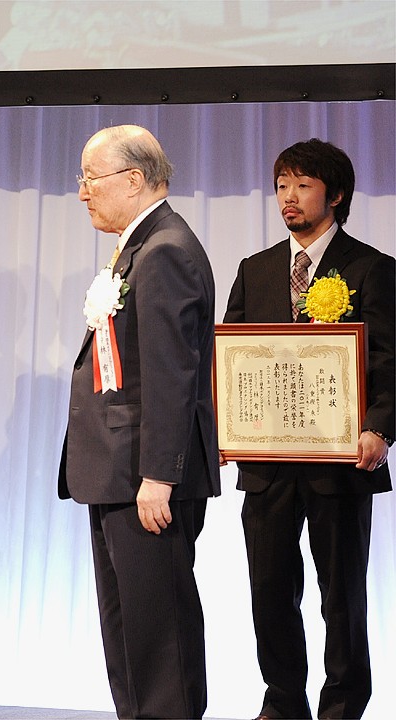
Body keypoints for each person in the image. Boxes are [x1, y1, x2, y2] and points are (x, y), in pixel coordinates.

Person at [223, 138, 394, 720]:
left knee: (340, 596)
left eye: (302, 185)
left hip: (340, 461)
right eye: (281, 185)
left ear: (335, 194)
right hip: (268, 461)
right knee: (269, 590)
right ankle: (282, 701)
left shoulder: (371, 267)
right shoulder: (255, 269)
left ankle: (342, 705)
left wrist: (379, 429)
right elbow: (233, 360)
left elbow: (390, 360)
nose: (288, 197)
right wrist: (225, 428)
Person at [58, 125, 220, 719]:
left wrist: (160, 476)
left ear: (133, 180)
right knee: (127, 627)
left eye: (90, 179)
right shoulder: (139, 246)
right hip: (116, 472)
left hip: (145, 479)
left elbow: (171, 376)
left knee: (159, 633)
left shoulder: (165, 250)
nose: (82, 192)